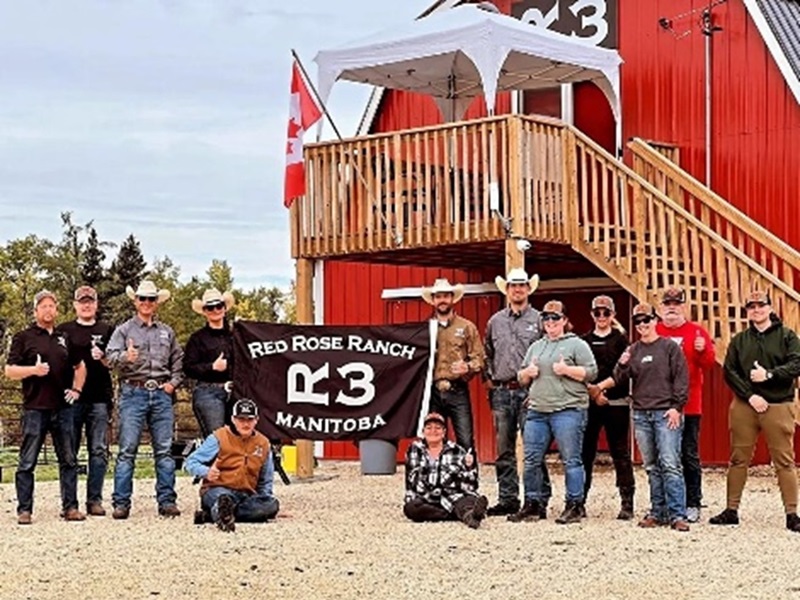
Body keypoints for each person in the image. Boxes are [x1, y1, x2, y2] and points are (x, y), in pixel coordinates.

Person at [710, 291, 800, 532]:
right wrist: (750, 395)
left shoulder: (787, 336)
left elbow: (796, 364)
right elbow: (730, 371)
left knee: (784, 460)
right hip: (745, 405)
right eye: (751, 306)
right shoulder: (740, 340)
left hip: (778, 404)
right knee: (738, 458)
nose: (756, 309)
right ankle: (731, 510)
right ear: (747, 311)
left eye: (761, 305)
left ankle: (792, 514)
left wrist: (769, 375)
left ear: (770, 308)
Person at [601, 303, 690, 531]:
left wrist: (676, 407)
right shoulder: (634, 350)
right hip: (641, 413)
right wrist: (621, 364)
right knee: (651, 465)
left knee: (670, 463)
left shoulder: (670, 347)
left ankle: (678, 514)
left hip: (665, 412)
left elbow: (681, 378)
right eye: (638, 321)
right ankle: (658, 511)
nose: (642, 325)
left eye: (646, 320)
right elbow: (620, 378)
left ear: (655, 320)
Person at [510, 300, 597, 525]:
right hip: (538, 410)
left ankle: (575, 504)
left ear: (565, 321)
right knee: (531, 460)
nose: (550, 322)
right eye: (546, 318)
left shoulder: (577, 344)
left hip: (568, 410)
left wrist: (566, 370)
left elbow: (591, 372)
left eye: (555, 318)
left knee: (571, 459)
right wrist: (528, 372)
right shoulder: (536, 346)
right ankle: (532, 504)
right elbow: (521, 377)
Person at [5, 290, 87, 524]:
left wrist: (77, 390)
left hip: (63, 408)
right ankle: (24, 509)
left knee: (69, 459)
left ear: (57, 309)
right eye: (43, 306)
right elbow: (9, 371)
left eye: (52, 305)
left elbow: (80, 366)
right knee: (27, 461)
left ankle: (70, 507)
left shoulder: (64, 337)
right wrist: (33, 370)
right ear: (35, 311)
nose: (48, 310)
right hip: (35, 408)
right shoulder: (23, 337)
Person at [106, 280, 184, 519]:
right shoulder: (124, 330)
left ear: (156, 303)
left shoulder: (167, 332)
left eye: (151, 299)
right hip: (133, 392)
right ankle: (121, 503)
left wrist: (172, 384)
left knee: (164, 450)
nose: (147, 303)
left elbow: (178, 360)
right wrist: (125, 358)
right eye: (143, 299)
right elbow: (109, 357)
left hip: (161, 393)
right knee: (127, 450)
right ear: (135, 301)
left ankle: (167, 501)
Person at [483, 268, 550, 517]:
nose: (518, 289)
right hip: (502, 391)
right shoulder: (495, 321)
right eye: (513, 285)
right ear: (507, 290)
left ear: (528, 289)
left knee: (534, 447)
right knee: (504, 449)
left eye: (522, 285)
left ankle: (538, 499)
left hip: (531, 392)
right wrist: (488, 379)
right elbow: (487, 351)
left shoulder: (541, 320)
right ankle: (508, 498)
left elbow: (548, 351)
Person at [656, 287, 715, 523]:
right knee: (664, 456)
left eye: (676, 304)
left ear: (683, 306)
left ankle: (693, 502)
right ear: (661, 307)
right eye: (667, 303)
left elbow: (709, 364)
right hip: (660, 403)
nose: (671, 308)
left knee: (688, 454)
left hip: (690, 405)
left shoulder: (696, 331)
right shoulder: (655, 330)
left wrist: (702, 351)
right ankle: (665, 504)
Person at [56, 285, 114, 517]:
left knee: (98, 450)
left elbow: (116, 362)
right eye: (82, 301)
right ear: (75, 305)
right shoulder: (64, 330)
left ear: (96, 304)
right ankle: (69, 504)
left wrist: (103, 358)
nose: (86, 305)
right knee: (69, 451)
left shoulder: (108, 329)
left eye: (90, 301)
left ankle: (94, 500)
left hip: (99, 397)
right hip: (71, 398)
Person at [185, 398, 280, 532]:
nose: (245, 424)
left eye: (249, 419)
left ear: (256, 420)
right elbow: (190, 462)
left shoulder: (263, 443)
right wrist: (206, 472)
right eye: (241, 419)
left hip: (246, 495)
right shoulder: (219, 437)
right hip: (218, 489)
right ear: (233, 419)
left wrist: (264, 502)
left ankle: (215, 515)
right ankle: (223, 511)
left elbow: (265, 480)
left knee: (272, 505)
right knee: (223, 499)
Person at [582, 295, 635, 520]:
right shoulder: (582, 341)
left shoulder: (623, 341)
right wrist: (592, 392)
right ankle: (578, 500)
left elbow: (624, 372)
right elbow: (579, 370)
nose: (602, 317)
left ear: (613, 315)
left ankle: (627, 502)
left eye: (606, 313)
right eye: (598, 313)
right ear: (592, 314)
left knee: (620, 453)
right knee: (585, 453)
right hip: (589, 404)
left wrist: (602, 390)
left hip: (616, 403)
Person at [423, 278, 485, 455]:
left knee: (465, 440)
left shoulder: (467, 327)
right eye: (438, 296)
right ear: (433, 300)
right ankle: (435, 481)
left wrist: (468, 366)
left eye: (445, 296)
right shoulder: (424, 329)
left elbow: (479, 358)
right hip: (432, 391)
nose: (442, 300)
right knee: (432, 439)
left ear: (452, 298)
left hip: (457, 389)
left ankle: (468, 481)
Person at [403, 412, 488, 528]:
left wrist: (469, 467)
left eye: (438, 428)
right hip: (426, 498)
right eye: (429, 428)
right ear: (423, 432)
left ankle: (469, 515)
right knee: (411, 509)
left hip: (453, 496)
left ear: (444, 432)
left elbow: (472, 484)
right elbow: (410, 481)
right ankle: (459, 515)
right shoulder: (414, 450)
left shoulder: (457, 450)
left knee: (468, 501)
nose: (433, 431)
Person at [184, 288, 236, 438]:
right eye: (210, 307)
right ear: (205, 311)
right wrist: (212, 367)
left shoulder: (236, 335)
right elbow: (188, 367)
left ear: (225, 308)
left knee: (237, 440)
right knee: (217, 440)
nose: (215, 310)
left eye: (218, 306)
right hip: (208, 392)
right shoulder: (197, 338)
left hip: (236, 392)